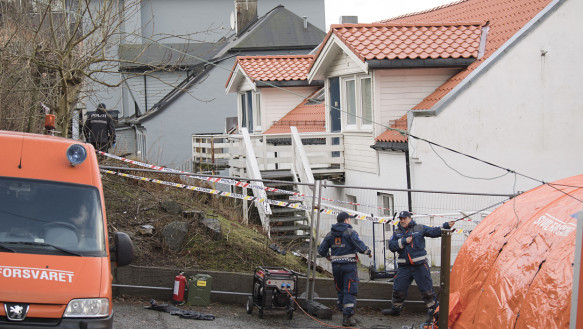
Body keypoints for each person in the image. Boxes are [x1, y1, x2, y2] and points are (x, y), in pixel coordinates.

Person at [382, 211, 454, 319]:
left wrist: (446, 226)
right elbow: (391, 246)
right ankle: (395, 309)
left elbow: (434, 232)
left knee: (427, 290)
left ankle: (433, 312)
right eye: (401, 219)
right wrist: (404, 241)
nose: (402, 220)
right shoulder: (396, 232)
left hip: (420, 266)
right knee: (398, 289)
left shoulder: (420, 228)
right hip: (404, 267)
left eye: (404, 218)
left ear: (410, 218)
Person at [318, 211, 372, 327]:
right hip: (349, 266)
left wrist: (328, 255)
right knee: (350, 289)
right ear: (346, 220)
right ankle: (347, 317)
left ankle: (343, 311)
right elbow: (360, 246)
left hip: (336, 266)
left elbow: (321, 250)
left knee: (340, 288)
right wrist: (368, 252)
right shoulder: (350, 232)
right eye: (349, 219)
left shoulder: (330, 234)